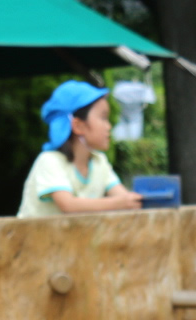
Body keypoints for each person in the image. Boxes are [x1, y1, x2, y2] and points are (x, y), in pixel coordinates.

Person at [17, 81, 143, 218]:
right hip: (31, 239)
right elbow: (68, 205)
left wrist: (134, 201)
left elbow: (124, 198)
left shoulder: (100, 162)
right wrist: (119, 203)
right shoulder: (49, 160)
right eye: (103, 118)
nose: (109, 126)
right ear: (78, 126)